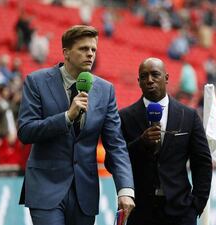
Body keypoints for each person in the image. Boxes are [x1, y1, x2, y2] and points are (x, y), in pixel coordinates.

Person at [17, 25, 135, 225]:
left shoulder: (105, 91)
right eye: (83, 49)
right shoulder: (36, 82)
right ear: (66, 53)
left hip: (84, 193)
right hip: (46, 189)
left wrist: (125, 189)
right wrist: (66, 117)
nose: (90, 54)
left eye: (93, 49)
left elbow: (116, 144)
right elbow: (25, 131)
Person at [119, 57, 212, 225]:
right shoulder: (125, 117)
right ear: (138, 81)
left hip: (181, 212)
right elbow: (114, 162)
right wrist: (141, 143)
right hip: (140, 212)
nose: (149, 80)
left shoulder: (188, 116)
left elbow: (202, 162)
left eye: (155, 74)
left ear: (166, 78)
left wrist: (197, 205)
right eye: (144, 76)